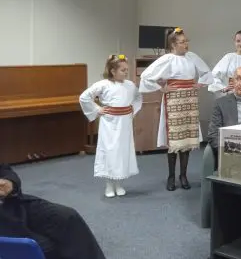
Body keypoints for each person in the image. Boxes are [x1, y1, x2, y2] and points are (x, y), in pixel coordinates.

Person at [139, 27, 214, 191]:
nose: (186, 44)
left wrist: (199, 83)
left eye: (186, 41)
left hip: (189, 99)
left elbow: (207, 72)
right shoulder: (167, 59)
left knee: (186, 140)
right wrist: (162, 88)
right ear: (173, 44)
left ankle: (183, 175)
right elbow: (146, 76)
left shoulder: (192, 57)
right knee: (174, 140)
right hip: (174, 100)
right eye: (182, 42)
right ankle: (171, 176)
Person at [0, 163, 106, 259]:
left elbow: (5, 170)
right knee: (41, 246)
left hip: (11, 203)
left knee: (67, 217)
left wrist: (10, 182)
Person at [79, 54, 143, 198]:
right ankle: (109, 184)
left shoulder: (130, 85)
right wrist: (97, 109)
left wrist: (133, 109)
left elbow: (138, 97)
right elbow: (84, 97)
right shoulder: (103, 84)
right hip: (109, 124)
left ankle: (119, 183)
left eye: (127, 70)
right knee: (110, 151)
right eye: (122, 70)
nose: (126, 73)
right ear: (113, 71)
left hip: (125, 124)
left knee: (122, 152)